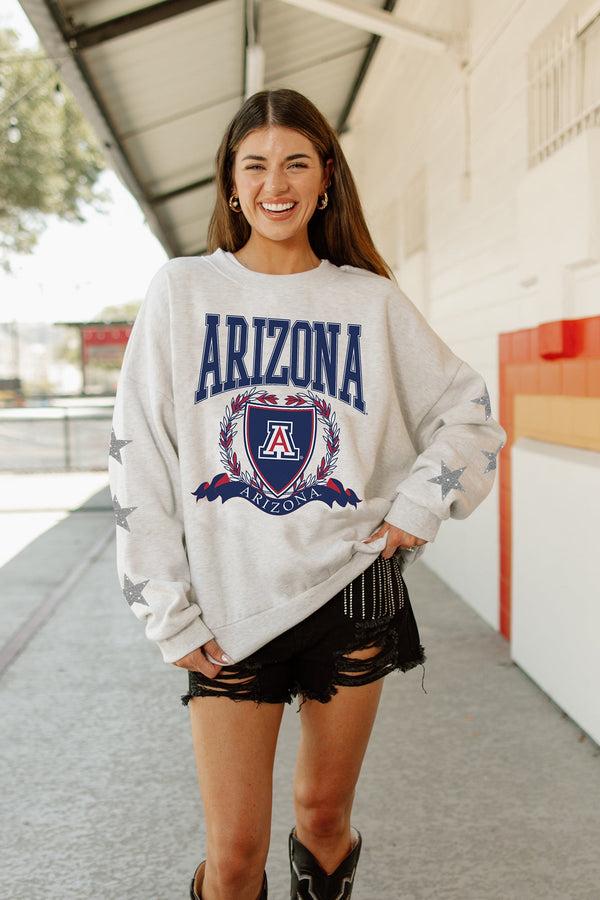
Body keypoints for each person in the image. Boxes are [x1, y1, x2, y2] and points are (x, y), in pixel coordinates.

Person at [108, 88, 507, 900]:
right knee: (234, 855)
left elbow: (469, 414)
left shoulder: (369, 301)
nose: (275, 183)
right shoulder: (182, 292)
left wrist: (415, 508)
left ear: (326, 178)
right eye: (255, 165)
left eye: (296, 163)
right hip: (228, 601)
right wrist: (163, 606)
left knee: (323, 816)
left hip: (351, 589)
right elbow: (140, 455)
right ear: (231, 184)